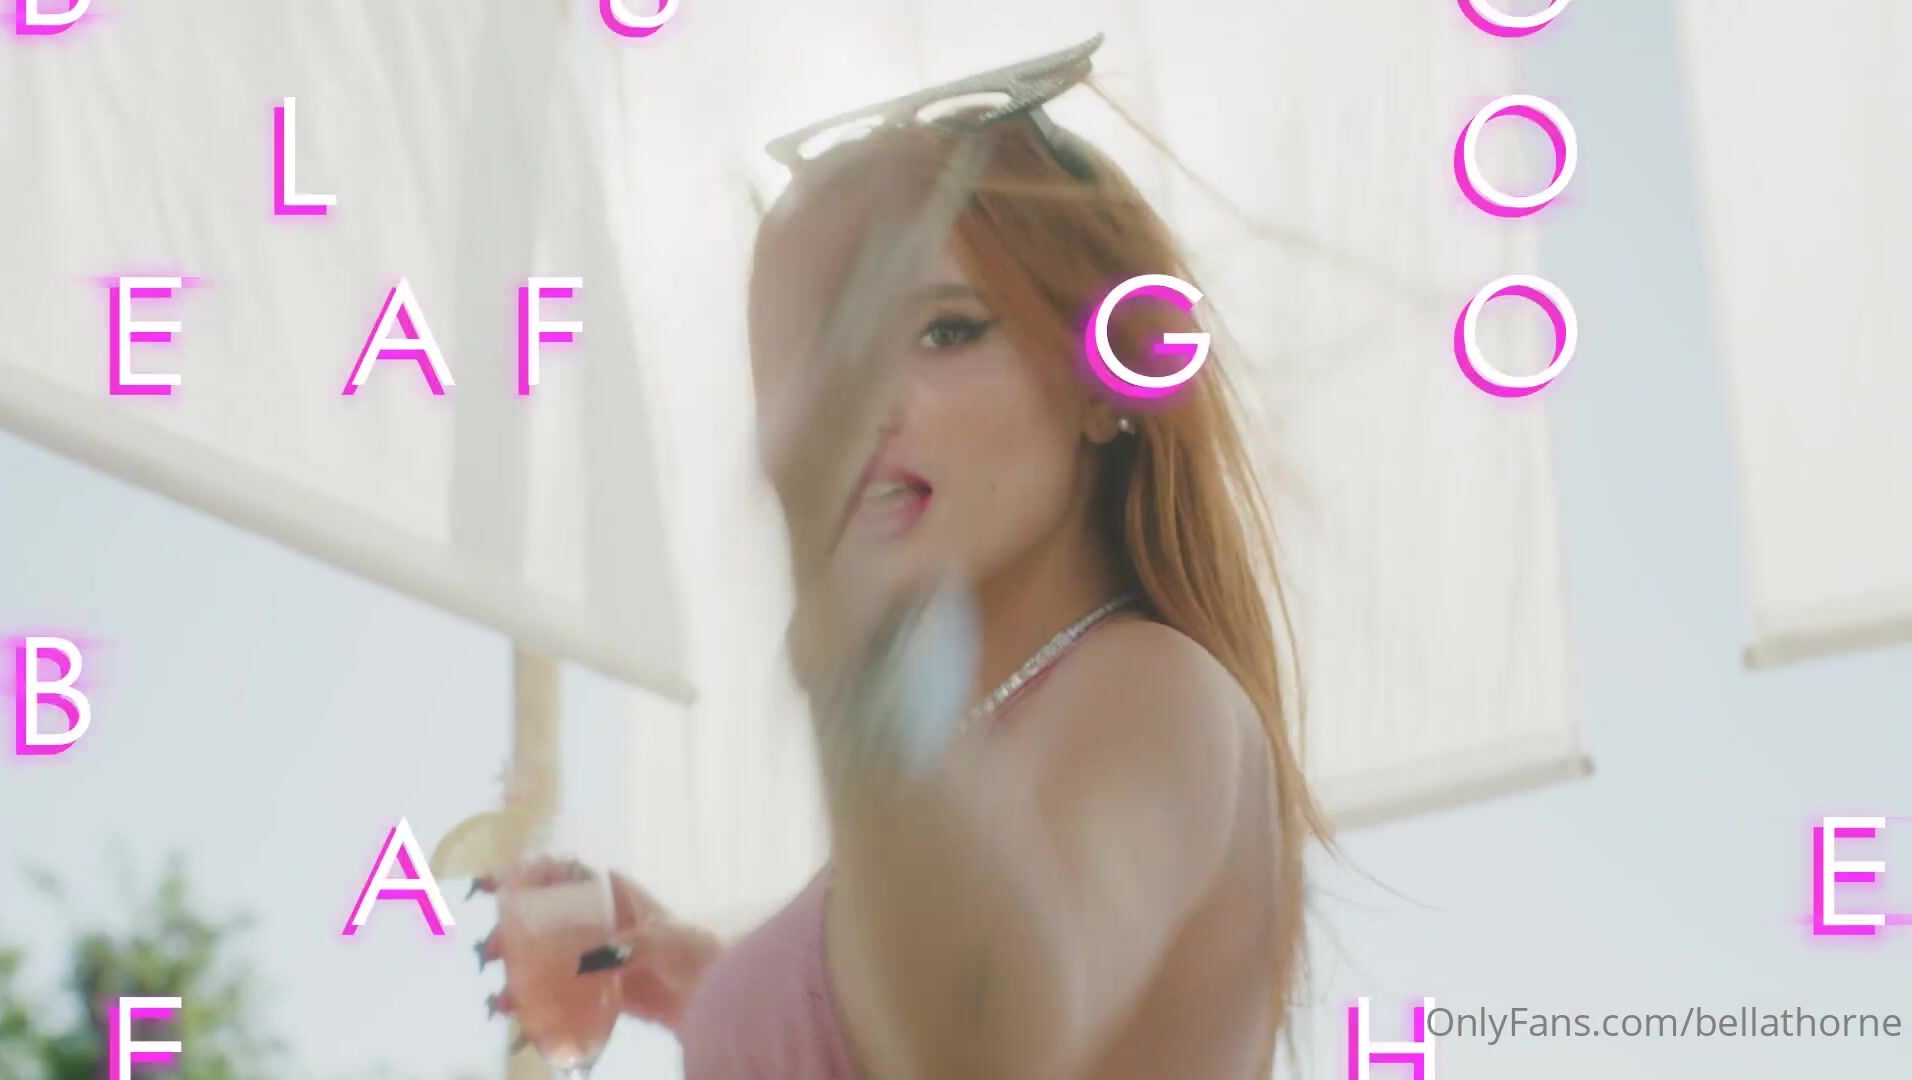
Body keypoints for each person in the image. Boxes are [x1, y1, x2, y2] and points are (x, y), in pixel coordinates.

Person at [479, 37, 1329, 1080]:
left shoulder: (1158, 689)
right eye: (821, 354)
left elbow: (986, 1028)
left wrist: (845, 624)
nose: (857, 406)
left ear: (1105, 381)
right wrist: (727, 990)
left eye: (944, 332)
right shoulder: (964, 757)